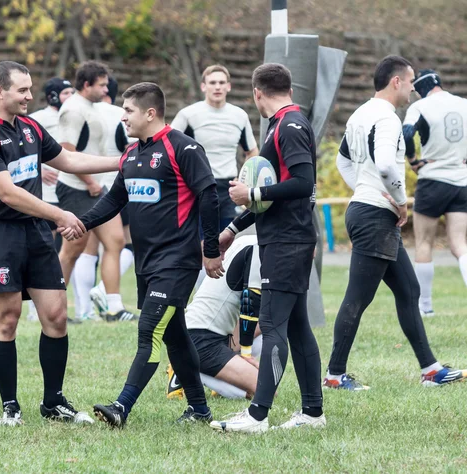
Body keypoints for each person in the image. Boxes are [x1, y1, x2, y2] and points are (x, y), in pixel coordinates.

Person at [0, 60, 120, 426]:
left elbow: (67, 158)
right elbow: (6, 192)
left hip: (34, 233)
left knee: (56, 315)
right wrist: (60, 215)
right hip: (0, 234)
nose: (30, 96)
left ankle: (53, 403)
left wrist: (122, 162)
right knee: (6, 319)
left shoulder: (31, 127)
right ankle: (11, 407)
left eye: (30, 89)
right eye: (22, 90)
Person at [67, 82, 223, 427]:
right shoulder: (132, 154)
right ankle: (199, 409)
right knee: (175, 337)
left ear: (150, 113)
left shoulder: (183, 148)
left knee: (149, 330)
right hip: (147, 261)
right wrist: (80, 222)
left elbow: (209, 196)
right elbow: (113, 201)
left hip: (177, 260)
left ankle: (122, 407)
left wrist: (210, 250)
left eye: (129, 111)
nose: (123, 117)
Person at [322, 55, 466, 391]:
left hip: (369, 210)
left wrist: (362, 187)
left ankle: (430, 370)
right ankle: (334, 375)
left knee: (409, 290)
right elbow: (386, 165)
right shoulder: (386, 118)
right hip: (374, 215)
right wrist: (399, 200)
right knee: (357, 298)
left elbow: (344, 160)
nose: (414, 89)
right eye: (411, 81)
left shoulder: (361, 113)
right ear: (396, 81)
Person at [212, 63, 323, 433]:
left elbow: (303, 183)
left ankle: (258, 415)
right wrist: (232, 227)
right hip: (285, 236)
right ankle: (312, 413)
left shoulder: (288, 125)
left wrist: (252, 192)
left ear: (257, 93)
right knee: (296, 327)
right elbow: (268, 201)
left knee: (272, 324)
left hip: (288, 240)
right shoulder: (283, 123)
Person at [56, 61, 132, 322]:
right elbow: (66, 151)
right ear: (87, 85)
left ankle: (113, 307)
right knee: (71, 250)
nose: (106, 88)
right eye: (101, 84)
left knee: (116, 241)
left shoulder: (93, 107)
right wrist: (89, 182)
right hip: (77, 188)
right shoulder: (73, 110)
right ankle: (54, 307)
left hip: (97, 188)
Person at [402, 69, 467, 317]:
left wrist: (413, 160)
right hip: (461, 181)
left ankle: (425, 307)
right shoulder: (463, 103)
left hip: (432, 179)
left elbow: (407, 133)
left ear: (421, 89)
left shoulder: (421, 107)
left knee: (424, 243)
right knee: (460, 244)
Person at [168, 233, 262, 400]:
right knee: (264, 390)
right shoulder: (256, 248)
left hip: (209, 335)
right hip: (202, 339)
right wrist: (246, 355)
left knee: (269, 328)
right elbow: (251, 305)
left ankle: (189, 364)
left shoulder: (245, 240)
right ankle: (184, 367)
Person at [171, 64, 259, 232]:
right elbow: (168, 147)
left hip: (228, 187)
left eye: (221, 82)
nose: (217, 87)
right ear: (203, 86)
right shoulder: (188, 114)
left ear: (229, 86)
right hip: (197, 185)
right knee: (202, 244)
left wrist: (244, 181)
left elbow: (252, 152)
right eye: (212, 83)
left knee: (224, 242)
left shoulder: (239, 115)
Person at [77, 76, 137, 320]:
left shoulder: (78, 110)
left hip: (87, 183)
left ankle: (85, 309)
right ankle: (106, 298)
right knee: (117, 242)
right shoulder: (115, 114)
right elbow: (130, 147)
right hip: (107, 186)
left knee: (87, 248)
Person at [26, 77, 75, 322]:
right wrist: (40, 168)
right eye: (66, 92)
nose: (70, 96)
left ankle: (52, 306)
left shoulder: (72, 115)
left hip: (64, 190)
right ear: (54, 95)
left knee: (59, 250)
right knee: (45, 247)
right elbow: (26, 151)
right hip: (43, 196)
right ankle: (34, 307)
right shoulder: (38, 118)